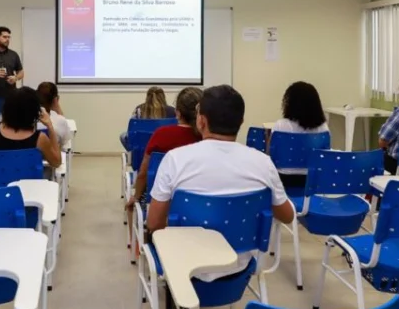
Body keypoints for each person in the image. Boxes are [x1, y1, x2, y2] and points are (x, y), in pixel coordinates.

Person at [148, 85, 295, 280]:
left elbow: (154, 223)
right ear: (241, 121)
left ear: (201, 121)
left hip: (184, 264)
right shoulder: (263, 163)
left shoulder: (175, 159)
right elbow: (287, 216)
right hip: (240, 265)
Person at [125, 87, 202, 253]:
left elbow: (143, 173)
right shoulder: (205, 138)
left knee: (135, 204)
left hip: (159, 201)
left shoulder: (162, 134)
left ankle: (138, 247)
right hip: (199, 202)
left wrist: (136, 197)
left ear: (178, 113)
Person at [0, 86, 62, 168]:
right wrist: (50, 126)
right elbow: (57, 162)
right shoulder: (40, 138)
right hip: (27, 180)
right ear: (34, 112)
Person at [271, 81, 330, 190]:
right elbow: (324, 158)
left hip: (283, 181)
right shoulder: (323, 128)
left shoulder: (280, 125)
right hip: (313, 182)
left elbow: (273, 156)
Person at [36, 82, 72, 149]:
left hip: (30, 157)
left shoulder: (26, 119)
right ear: (55, 99)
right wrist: (58, 108)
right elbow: (65, 142)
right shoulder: (60, 120)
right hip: (51, 158)